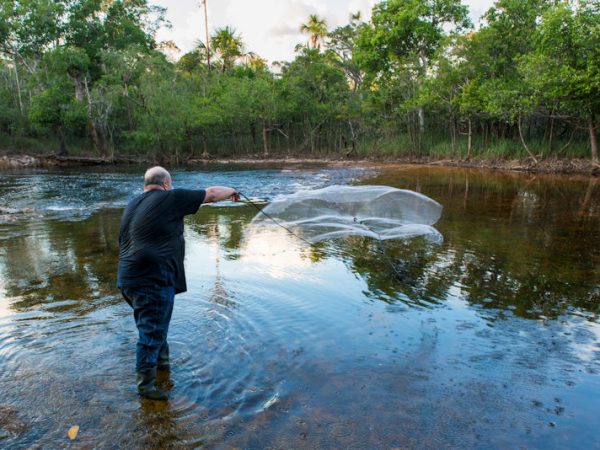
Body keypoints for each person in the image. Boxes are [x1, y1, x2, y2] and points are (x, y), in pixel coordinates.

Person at [118, 166, 239, 400]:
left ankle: (162, 367)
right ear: (165, 184)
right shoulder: (169, 198)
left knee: (153, 325)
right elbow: (212, 193)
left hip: (127, 280)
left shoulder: (133, 203)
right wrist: (233, 190)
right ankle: (146, 387)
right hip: (151, 279)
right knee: (151, 332)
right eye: (170, 185)